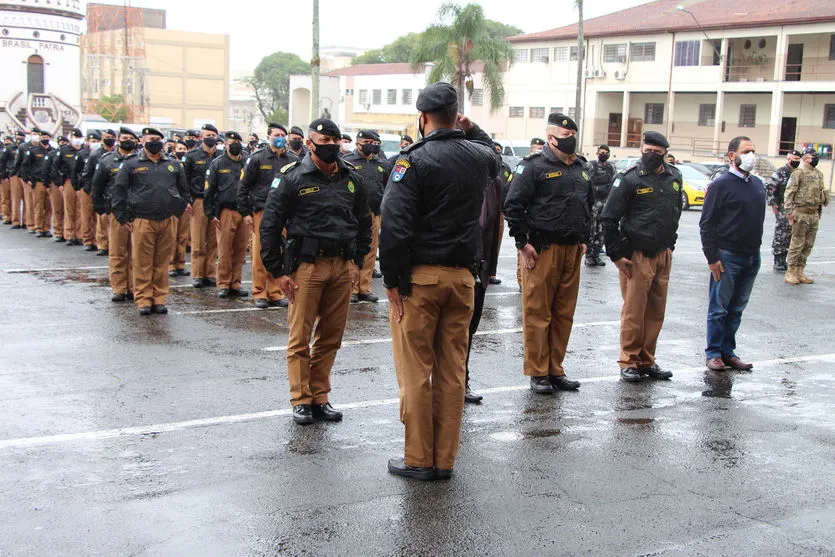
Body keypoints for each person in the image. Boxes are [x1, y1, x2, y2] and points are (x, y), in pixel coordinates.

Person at [380, 82, 499, 481]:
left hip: (420, 280)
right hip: (464, 279)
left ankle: (418, 458)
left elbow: (394, 227)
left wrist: (393, 282)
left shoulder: (411, 161)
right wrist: (471, 128)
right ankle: (444, 460)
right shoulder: (479, 156)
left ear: (423, 117)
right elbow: (495, 155)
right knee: (452, 373)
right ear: (456, 116)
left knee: (416, 371)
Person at [260, 118, 372, 425]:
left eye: (335, 142)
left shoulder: (351, 178)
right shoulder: (292, 177)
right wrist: (277, 272)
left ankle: (320, 396)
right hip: (307, 268)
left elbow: (364, 221)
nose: (331, 147)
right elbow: (269, 225)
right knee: (300, 338)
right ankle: (301, 399)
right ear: (310, 144)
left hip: (342, 265)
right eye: (323, 142)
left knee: (330, 337)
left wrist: (357, 261)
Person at [504, 113, 590, 394]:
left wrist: (584, 239)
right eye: (566, 137)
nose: (571, 141)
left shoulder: (580, 167)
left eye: (573, 136)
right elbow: (513, 206)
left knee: (564, 313)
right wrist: (522, 244)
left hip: (572, 249)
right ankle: (538, 371)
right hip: (542, 250)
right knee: (538, 312)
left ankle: (556, 369)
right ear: (551, 138)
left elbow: (587, 206)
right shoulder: (533, 166)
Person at [601, 131, 681, 383]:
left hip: (662, 252)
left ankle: (647, 359)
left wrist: (671, 243)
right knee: (634, 311)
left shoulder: (674, 177)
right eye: (647, 151)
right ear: (641, 149)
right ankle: (629, 360)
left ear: (665, 153)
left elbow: (675, 211)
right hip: (636, 254)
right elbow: (609, 217)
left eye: (657, 153)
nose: (651, 156)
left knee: (656, 311)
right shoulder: (629, 179)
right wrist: (615, 254)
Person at [699, 136, 766, 372]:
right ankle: (714, 353)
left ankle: (728, 352)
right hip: (727, 257)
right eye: (746, 151)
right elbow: (706, 224)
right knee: (719, 308)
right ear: (732, 156)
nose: (751, 155)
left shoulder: (757, 184)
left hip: (751, 256)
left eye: (753, 150)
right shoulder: (721, 185)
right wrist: (712, 258)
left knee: (737, 308)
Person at [111, 127, 192, 315]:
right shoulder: (132, 164)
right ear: (143, 140)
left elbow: (184, 190)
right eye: (151, 138)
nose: (154, 142)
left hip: (167, 219)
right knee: (142, 262)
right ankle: (143, 299)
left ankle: (159, 298)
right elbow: (119, 191)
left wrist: (178, 211)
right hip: (142, 219)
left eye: (157, 139)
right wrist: (122, 217)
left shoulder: (172, 164)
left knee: (161, 262)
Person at [239, 123, 297, 308]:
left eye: (283, 135)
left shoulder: (292, 159)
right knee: (261, 251)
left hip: (286, 211)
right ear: (269, 136)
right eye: (277, 135)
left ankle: (275, 291)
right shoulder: (257, 158)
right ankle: (259, 292)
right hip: (263, 210)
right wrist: (245, 212)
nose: (280, 138)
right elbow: (244, 186)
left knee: (281, 251)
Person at [91, 127, 139, 302]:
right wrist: (101, 209)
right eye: (125, 138)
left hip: (137, 212)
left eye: (131, 139)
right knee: (118, 252)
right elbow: (97, 186)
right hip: (116, 211)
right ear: (119, 139)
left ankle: (134, 287)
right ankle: (119, 288)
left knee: (136, 253)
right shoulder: (107, 161)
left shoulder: (141, 160)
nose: (128, 141)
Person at [343, 129, 390, 304]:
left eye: (375, 143)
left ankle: (365, 288)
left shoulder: (382, 164)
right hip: (352, 214)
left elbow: (387, 188)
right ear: (359, 143)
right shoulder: (348, 162)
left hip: (373, 213)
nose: (372, 146)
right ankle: (352, 288)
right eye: (369, 142)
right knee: (353, 250)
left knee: (370, 251)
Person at [204, 131, 250, 299]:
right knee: (224, 249)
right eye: (232, 142)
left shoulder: (247, 162)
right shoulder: (217, 163)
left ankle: (235, 283)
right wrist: (210, 213)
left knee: (240, 249)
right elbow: (209, 189)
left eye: (238, 141)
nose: (236, 144)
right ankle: (223, 283)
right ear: (225, 144)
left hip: (244, 211)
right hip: (225, 211)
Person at [784, 147, 830, 285]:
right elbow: (789, 192)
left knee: (808, 244)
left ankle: (800, 270)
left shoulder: (819, 174)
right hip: (800, 213)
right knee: (797, 243)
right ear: (805, 158)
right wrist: (789, 213)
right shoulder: (798, 173)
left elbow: (821, 194)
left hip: (813, 214)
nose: (815, 159)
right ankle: (790, 271)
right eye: (812, 156)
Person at [183, 123, 221, 289]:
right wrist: (187, 200)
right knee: (198, 240)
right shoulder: (191, 156)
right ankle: (198, 274)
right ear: (201, 137)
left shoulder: (220, 156)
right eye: (207, 135)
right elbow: (183, 180)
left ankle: (210, 273)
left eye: (213, 135)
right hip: (198, 200)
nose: (210, 138)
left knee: (213, 241)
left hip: (216, 201)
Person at [765, 150, 801, 272]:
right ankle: (777, 259)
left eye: (798, 160)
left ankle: (784, 259)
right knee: (781, 233)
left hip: (794, 208)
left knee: (790, 234)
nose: (796, 162)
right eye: (794, 159)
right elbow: (770, 187)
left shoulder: (797, 173)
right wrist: (773, 203)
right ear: (788, 159)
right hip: (782, 207)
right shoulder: (781, 172)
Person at [83, 128, 117, 256]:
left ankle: (113, 244)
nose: (109, 139)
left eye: (111, 136)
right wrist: (90, 190)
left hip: (115, 190)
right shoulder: (95, 155)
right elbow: (88, 173)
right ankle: (102, 245)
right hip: (102, 189)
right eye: (106, 136)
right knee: (102, 219)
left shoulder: (119, 153)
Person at [51, 128, 85, 244]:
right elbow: (56, 167)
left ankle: (79, 235)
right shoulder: (64, 151)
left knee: (80, 209)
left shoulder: (85, 151)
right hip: (68, 181)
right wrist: (59, 183)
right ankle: (69, 234)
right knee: (69, 208)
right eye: (75, 137)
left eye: (79, 138)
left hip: (82, 182)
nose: (77, 140)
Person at [21, 128, 56, 238]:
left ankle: (46, 227)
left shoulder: (53, 151)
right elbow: (26, 165)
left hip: (50, 182)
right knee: (38, 206)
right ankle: (38, 227)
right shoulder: (33, 151)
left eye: (47, 137)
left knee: (49, 206)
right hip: (38, 182)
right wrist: (28, 179)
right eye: (43, 137)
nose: (45, 139)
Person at [585, 144, 616, 267]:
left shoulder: (611, 167)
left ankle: (597, 255)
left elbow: (614, 182)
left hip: (605, 203)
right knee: (592, 230)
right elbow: (586, 181)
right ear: (597, 153)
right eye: (602, 152)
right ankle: (589, 255)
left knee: (602, 230)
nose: (604, 154)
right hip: (593, 203)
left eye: (606, 152)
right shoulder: (591, 166)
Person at [488, 141, 512, 286]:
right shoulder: (487, 165)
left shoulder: (505, 168)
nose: (497, 152)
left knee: (495, 242)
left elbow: (509, 188)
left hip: (500, 211)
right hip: (485, 209)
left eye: (499, 150)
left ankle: (492, 273)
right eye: (495, 150)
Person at [168, 140, 191, 276]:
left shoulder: (187, 163)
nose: (182, 150)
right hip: (172, 203)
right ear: (174, 149)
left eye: (184, 148)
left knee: (182, 236)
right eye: (179, 148)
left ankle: (181, 263)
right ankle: (171, 264)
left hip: (185, 202)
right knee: (172, 236)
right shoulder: (169, 163)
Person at [75, 131, 98, 250]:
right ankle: (87, 239)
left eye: (97, 141)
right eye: (93, 141)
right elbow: (78, 171)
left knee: (98, 216)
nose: (95, 144)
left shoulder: (102, 154)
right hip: (87, 187)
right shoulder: (82, 154)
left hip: (99, 188)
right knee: (86, 214)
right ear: (87, 141)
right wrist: (79, 187)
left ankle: (97, 240)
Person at [0, 136, 13, 225]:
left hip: (9, 175)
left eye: (8, 141)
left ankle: (10, 215)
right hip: (3, 176)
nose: (6, 142)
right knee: (5, 197)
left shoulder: (10, 151)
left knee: (10, 198)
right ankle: (5, 215)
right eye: (5, 141)